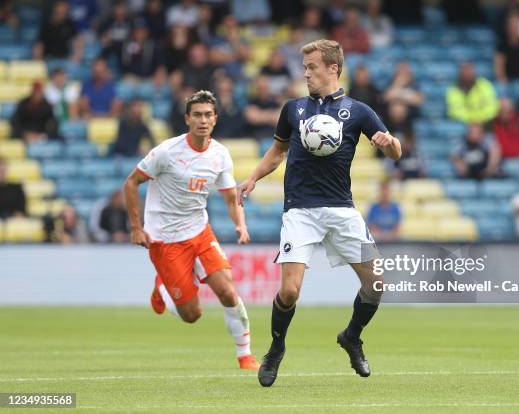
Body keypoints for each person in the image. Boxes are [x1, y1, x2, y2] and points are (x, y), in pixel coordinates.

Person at [238, 39, 401, 387]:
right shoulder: (293, 109)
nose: (306, 73)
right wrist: (252, 177)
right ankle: (276, 348)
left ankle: (352, 336)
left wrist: (391, 144)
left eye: (312, 67)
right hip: (300, 211)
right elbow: (277, 151)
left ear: (333, 68)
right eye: (304, 67)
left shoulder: (358, 111)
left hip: (342, 211)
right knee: (290, 292)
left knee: (376, 285)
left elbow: (395, 152)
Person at [123, 90, 260, 371]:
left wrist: (240, 223)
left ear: (215, 119)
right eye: (197, 115)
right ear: (187, 119)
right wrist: (137, 228)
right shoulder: (167, 152)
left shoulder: (220, 155)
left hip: (199, 232)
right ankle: (162, 289)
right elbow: (130, 183)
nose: (203, 120)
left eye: (208, 115)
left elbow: (229, 195)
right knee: (192, 314)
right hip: (165, 240)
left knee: (227, 291)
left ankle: (245, 356)